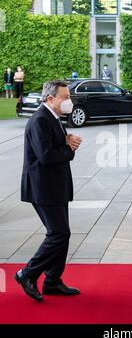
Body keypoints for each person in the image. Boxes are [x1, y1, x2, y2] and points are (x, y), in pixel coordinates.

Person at [15, 80, 82, 302]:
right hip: (43, 187)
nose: (69, 101)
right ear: (50, 99)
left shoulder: (53, 117)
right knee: (58, 234)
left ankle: (52, 281)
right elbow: (46, 156)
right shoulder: (39, 121)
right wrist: (68, 147)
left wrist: (66, 140)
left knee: (62, 234)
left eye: (69, 97)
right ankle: (27, 274)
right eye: (65, 97)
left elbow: (54, 145)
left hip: (56, 186)